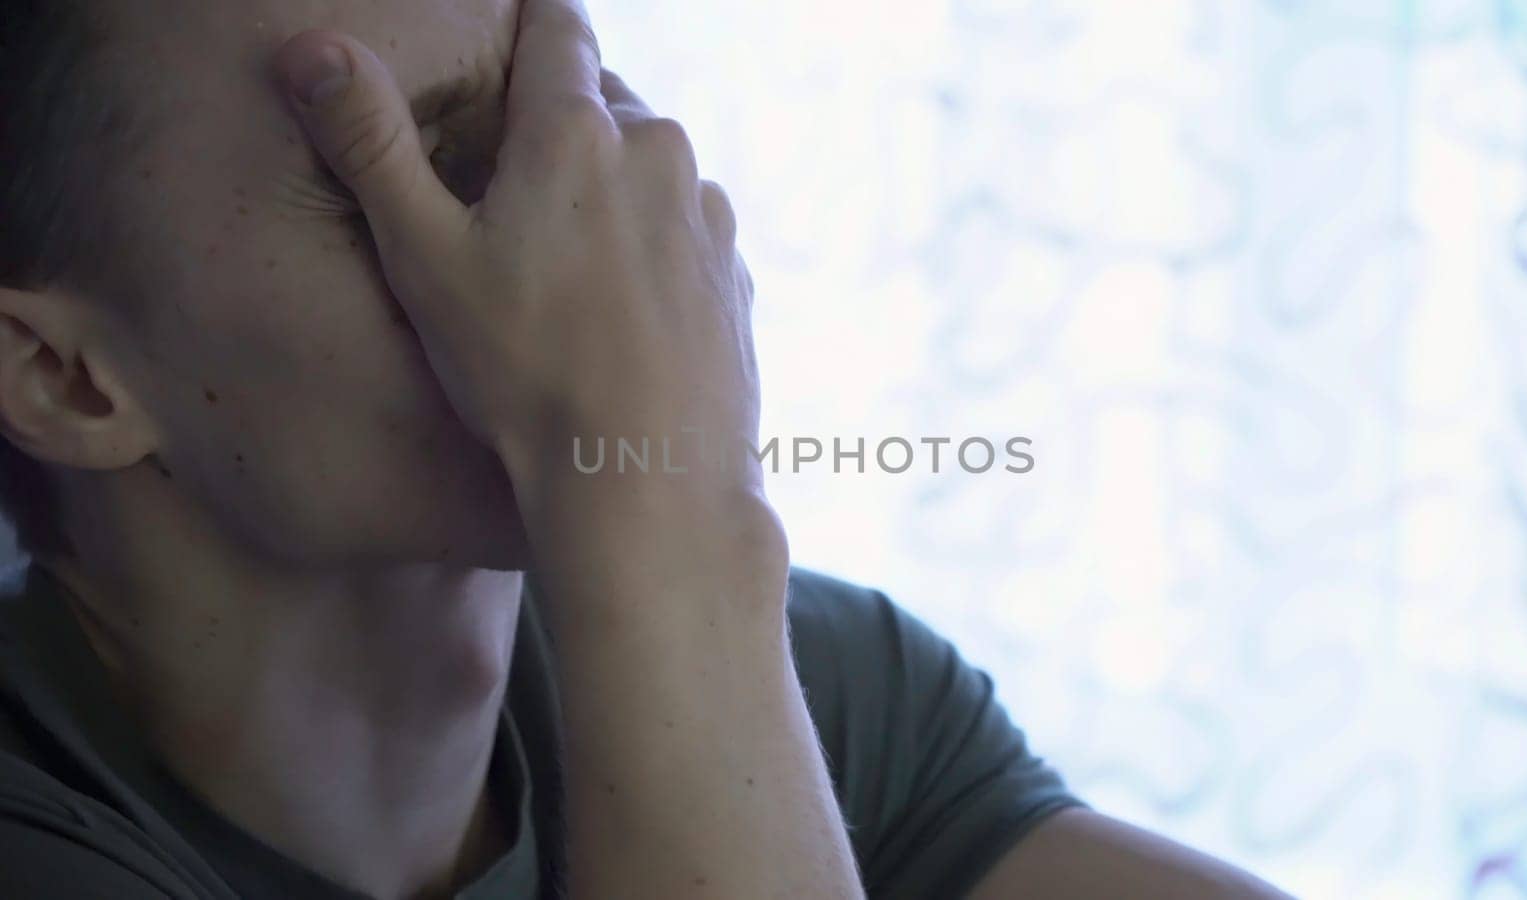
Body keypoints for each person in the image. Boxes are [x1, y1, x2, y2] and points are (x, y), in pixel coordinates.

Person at [0, 0, 1291, 897]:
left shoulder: (814, 683)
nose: (596, 221)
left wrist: (682, 555)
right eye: (401, 169)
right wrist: (668, 511)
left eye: (567, 119)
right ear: (65, 378)